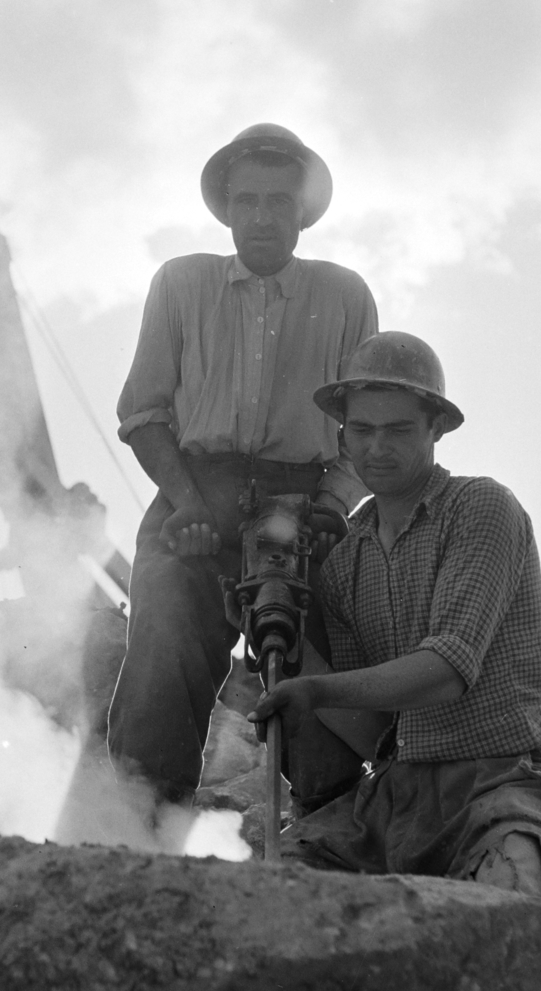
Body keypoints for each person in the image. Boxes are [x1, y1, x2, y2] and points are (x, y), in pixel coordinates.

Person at [98, 123, 379, 847]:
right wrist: (188, 504)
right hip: (198, 488)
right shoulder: (181, 282)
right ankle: (138, 846)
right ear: (225, 209)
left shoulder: (345, 295)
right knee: (161, 667)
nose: (262, 216)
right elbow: (144, 410)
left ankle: (329, 853)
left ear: (303, 212)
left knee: (314, 684)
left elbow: (363, 418)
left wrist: (332, 506)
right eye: (247, 200)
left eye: (279, 202)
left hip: (301, 502)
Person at [248, 331, 541, 894]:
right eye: (362, 431)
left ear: (436, 427)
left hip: (500, 781)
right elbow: (371, 726)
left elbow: (445, 671)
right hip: (396, 795)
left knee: (504, 904)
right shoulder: (345, 563)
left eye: (398, 430)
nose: (377, 448)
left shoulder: (481, 508)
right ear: (343, 435)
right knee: (275, 893)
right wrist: (295, 654)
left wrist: (320, 692)